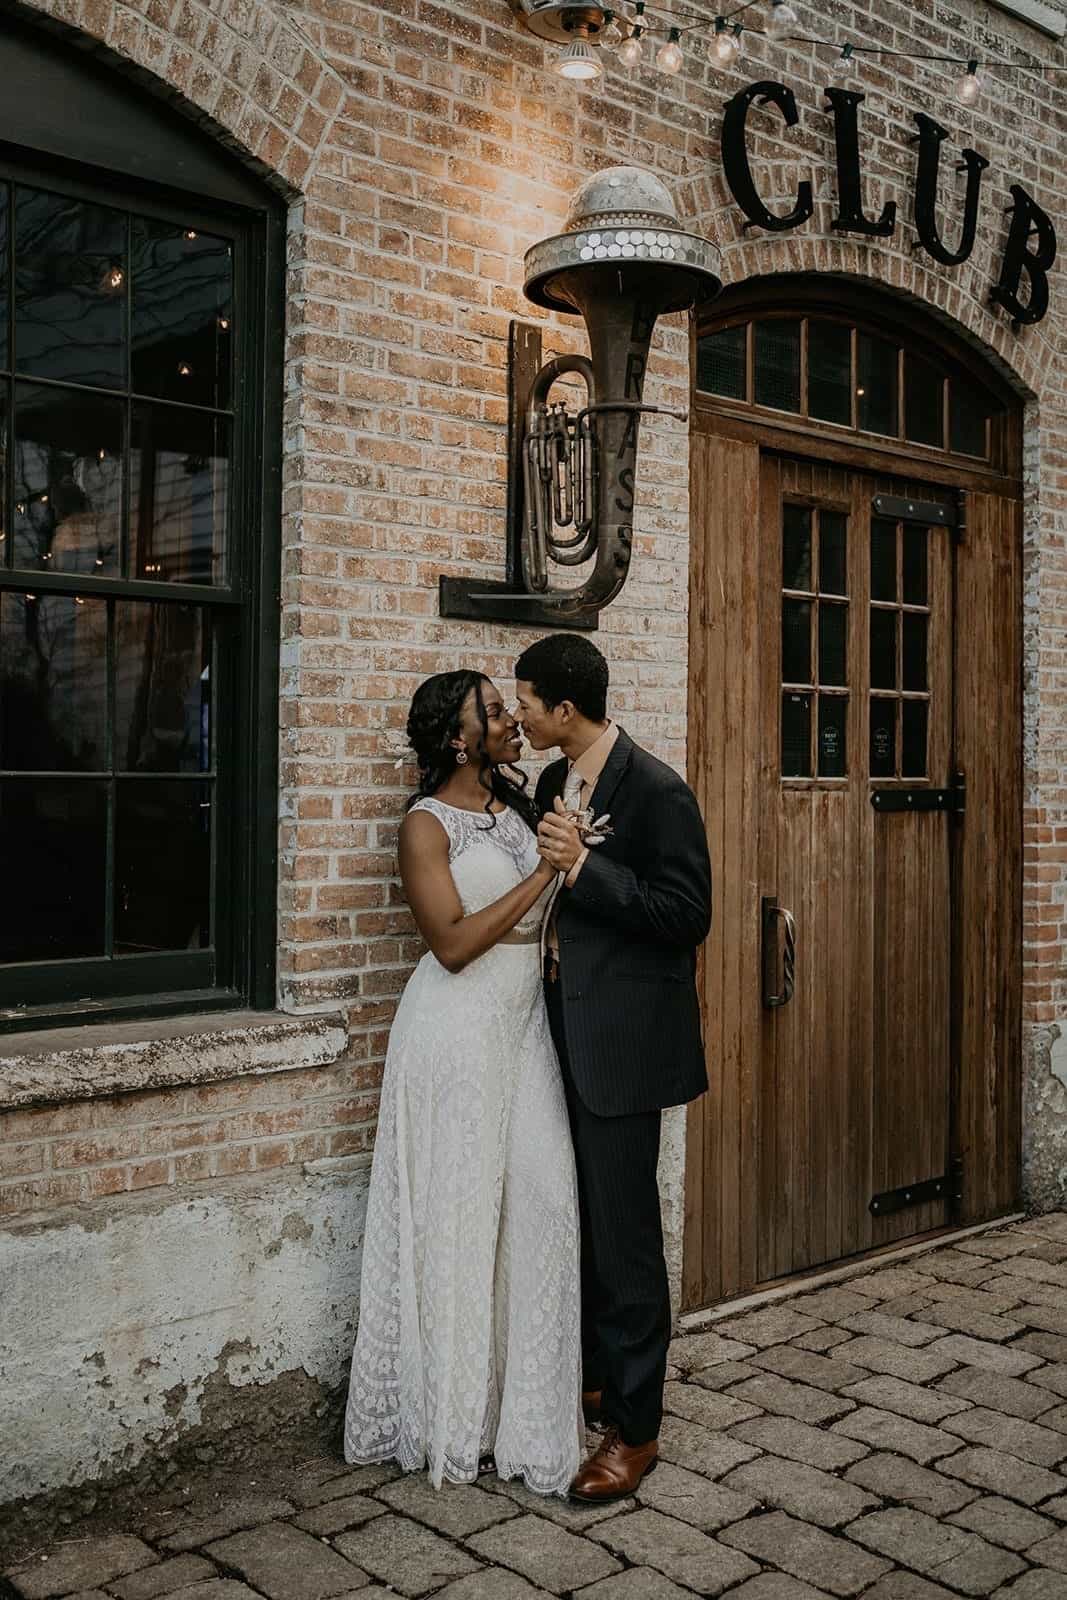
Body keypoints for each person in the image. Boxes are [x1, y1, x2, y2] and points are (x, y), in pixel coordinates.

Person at [343, 670, 583, 1495]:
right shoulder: (424, 825)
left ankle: (525, 1416)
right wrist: (547, 874)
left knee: (543, 1200)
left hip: (523, 1030)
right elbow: (449, 942)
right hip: (453, 1032)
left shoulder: (519, 808)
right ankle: (454, 1420)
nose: (510, 720)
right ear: (457, 736)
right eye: (492, 711)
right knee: (459, 1217)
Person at [514, 633, 712, 1503]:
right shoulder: (556, 781)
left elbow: (685, 915)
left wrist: (585, 867)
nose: (516, 712)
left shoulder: (659, 789)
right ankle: (599, 1380)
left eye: (524, 700)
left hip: (625, 1043)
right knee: (583, 1216)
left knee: (626, 1238)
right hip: (558, 1026)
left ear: (564, 709)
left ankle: (636, 1432)